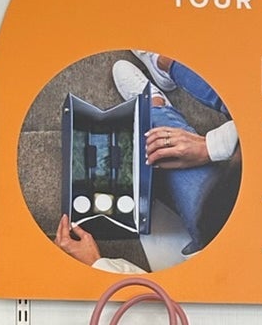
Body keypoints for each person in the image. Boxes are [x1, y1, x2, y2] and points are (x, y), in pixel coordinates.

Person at [55, 53, 239, 269]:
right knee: (244, 98)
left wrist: (98, 265)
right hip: (260, 191)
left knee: (159, 145)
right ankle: (167, 65)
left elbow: (157, 296)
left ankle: (154, 106)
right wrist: (209, 146)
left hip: (225, 240)